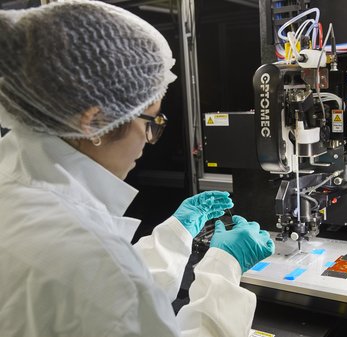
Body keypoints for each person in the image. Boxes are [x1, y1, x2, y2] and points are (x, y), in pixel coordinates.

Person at [0, 1, 275, 337]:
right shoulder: (89, 255)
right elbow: (114, 291)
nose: (149, 139)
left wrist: (176, 232)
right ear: (95, 122)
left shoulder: (17, 186)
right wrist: (223, 269)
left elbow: (112, 302)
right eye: (151, 121)